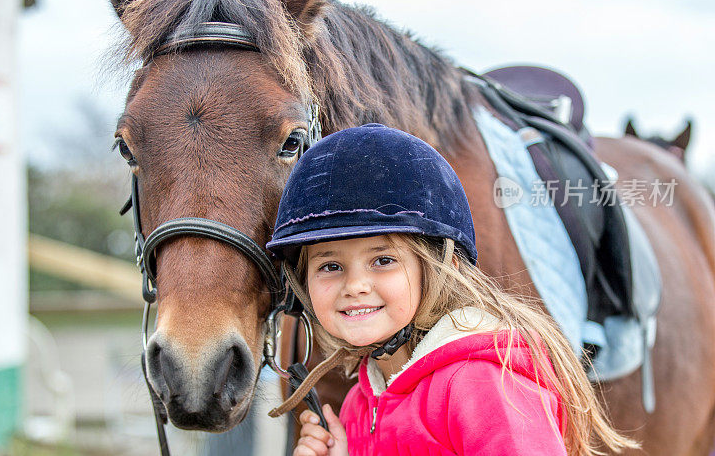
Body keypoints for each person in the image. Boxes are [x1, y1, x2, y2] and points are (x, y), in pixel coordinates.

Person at [266, 124, 636, 456]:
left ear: (442, 268)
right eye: (331, 266)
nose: (356, 286)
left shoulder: (482, 387)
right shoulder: (359, 405)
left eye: (383, 260)